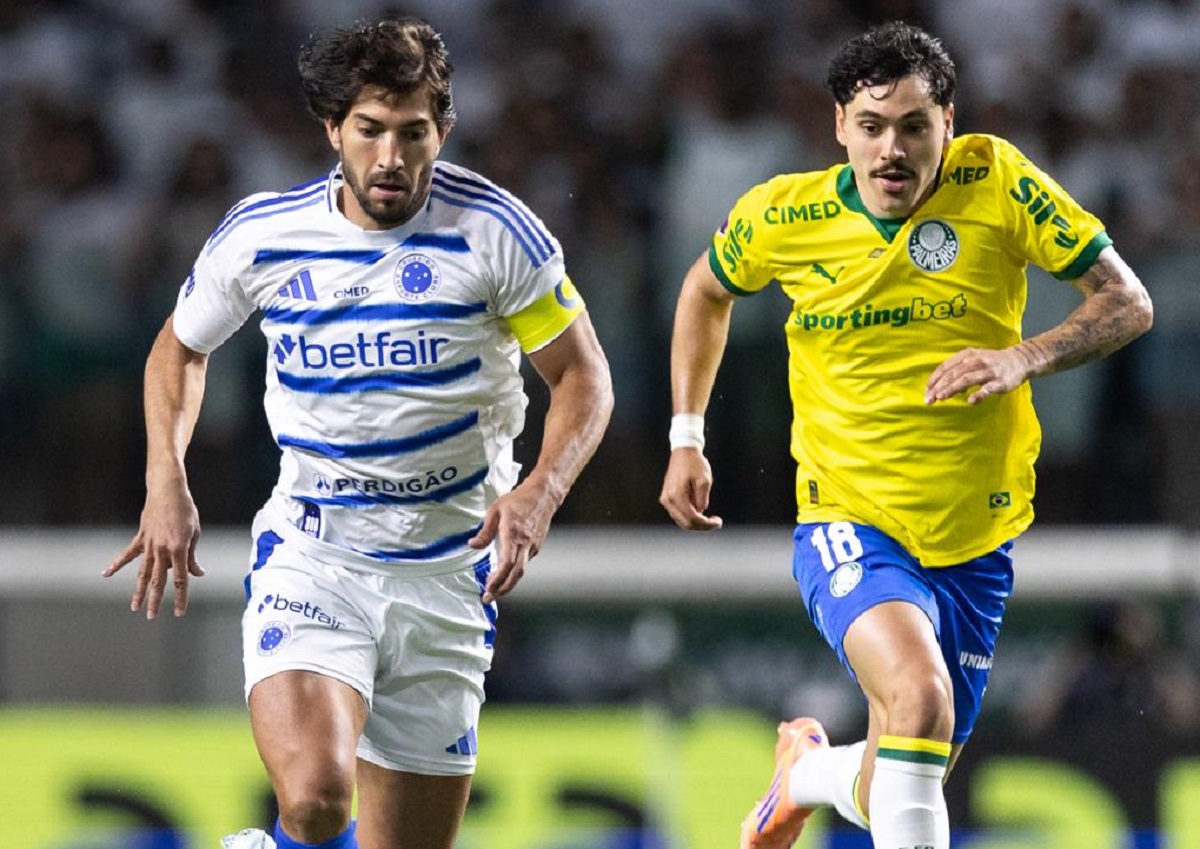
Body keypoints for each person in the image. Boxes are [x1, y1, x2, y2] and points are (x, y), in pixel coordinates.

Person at [104, 17, 613, 849]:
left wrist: (540, 490)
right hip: (318, 558)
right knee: (315, 797)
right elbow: (179, 347)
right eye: (370, 131)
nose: (391, 158)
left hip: (451, 577)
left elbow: (583, 376)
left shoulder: (497, 234)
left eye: (414, 134)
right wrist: (167, 476)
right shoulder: (265, 234)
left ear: (442, 131)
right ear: (332, 128)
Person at [658, 20, 1151, 849]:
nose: (893, 150)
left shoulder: (996, 181)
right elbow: (705, 291)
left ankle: (805, 772)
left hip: (975, 538)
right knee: (921, 696)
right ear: (839, 127)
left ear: (948, 126)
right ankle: (811, 773)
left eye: (915, 127)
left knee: (900, 775)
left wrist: (1025, 356)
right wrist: (686, 434)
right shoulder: (786, 214)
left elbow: (1128, 301)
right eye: (873, 126)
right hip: (849, 518)